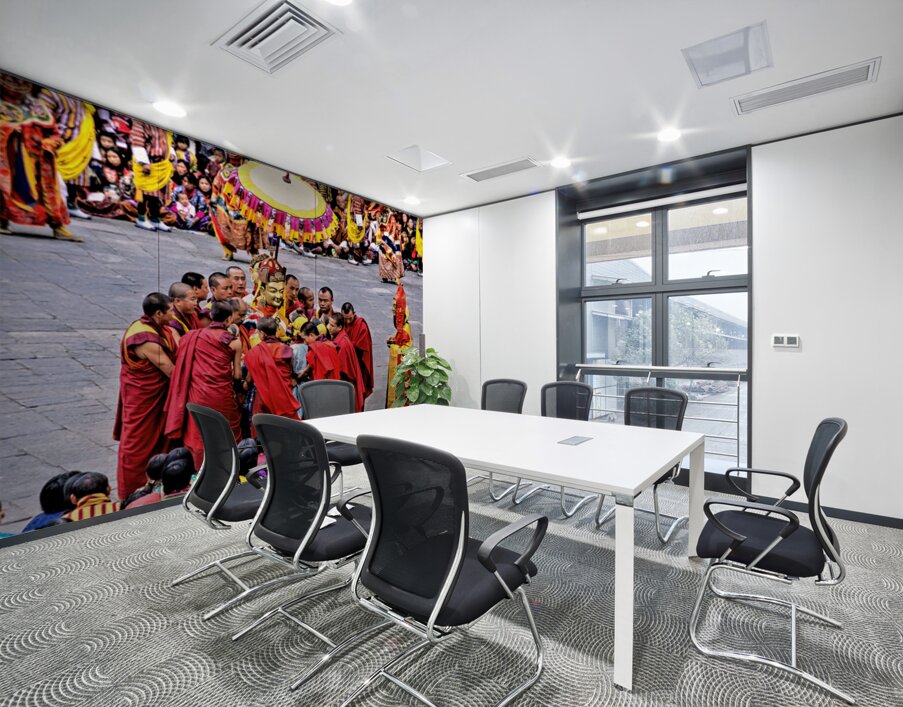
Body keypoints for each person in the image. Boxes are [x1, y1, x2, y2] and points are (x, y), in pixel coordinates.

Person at [0, 73, 79, 241]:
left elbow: (55, 134)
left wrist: (50, 143)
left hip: (39, 159)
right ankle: (2, 220)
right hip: (10, 158)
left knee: (51, 193)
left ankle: (57, 226)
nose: (17, 86)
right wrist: (11, 130)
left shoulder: (37, 107)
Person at [164, 300, 243, 469]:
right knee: (226, 430)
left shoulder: (193, 336)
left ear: (211, 315)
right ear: (229, 319)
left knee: (199, 431)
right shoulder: (234, 342)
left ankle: (198, 468)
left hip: (198, 393)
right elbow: (237, 375)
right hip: (222, 394)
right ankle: (228, 468)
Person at [114, 292, 178, 498]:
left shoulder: (158, 328)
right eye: (170, 311)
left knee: (161, 439)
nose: (173, 315)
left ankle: (160, 481)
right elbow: (168, 369)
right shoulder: (144, 337)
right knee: (138, 443)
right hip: (143, 399)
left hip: (157, 395)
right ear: (158, 313)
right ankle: (130, 491)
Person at [243, 317, 301, 425]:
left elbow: (249, 379)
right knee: (286, 426)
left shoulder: (255, 353)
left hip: (263, 398)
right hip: (284, 396)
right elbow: (290, 372)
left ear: (262, 333)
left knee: (265, 429)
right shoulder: (287, 350)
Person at [130, 118, 174, 232]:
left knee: (156, 195)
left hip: (161, 165)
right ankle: (141, 218)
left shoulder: (165, 124)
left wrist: (171, 153)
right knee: (144, 193)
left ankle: (155, 218)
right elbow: (137, 143)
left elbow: (168, 142)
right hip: (148, 163)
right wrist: (144, 162)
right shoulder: (141, 122)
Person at [326, 313, 365, 411]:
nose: (328, 327)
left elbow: (342, 370)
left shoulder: (342, 344)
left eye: (332, 326)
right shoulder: (340, 337)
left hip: (347, 384)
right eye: (328, 324)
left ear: (340, 327)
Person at [386, 281, 413, 407]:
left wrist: (393, 346)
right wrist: (393, 341)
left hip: (401, 374)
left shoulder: (406, 331)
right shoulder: (401, 330)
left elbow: (405, 350)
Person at [341, 302, 374, 403]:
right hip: (345, 365)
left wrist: (347, 346)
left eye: (350, 318)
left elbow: (364, 348)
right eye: (345, 318)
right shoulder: (340, 323)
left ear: (354, 314)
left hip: (358, 365)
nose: (347, 321)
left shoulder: (361, 325)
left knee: (357, 396)